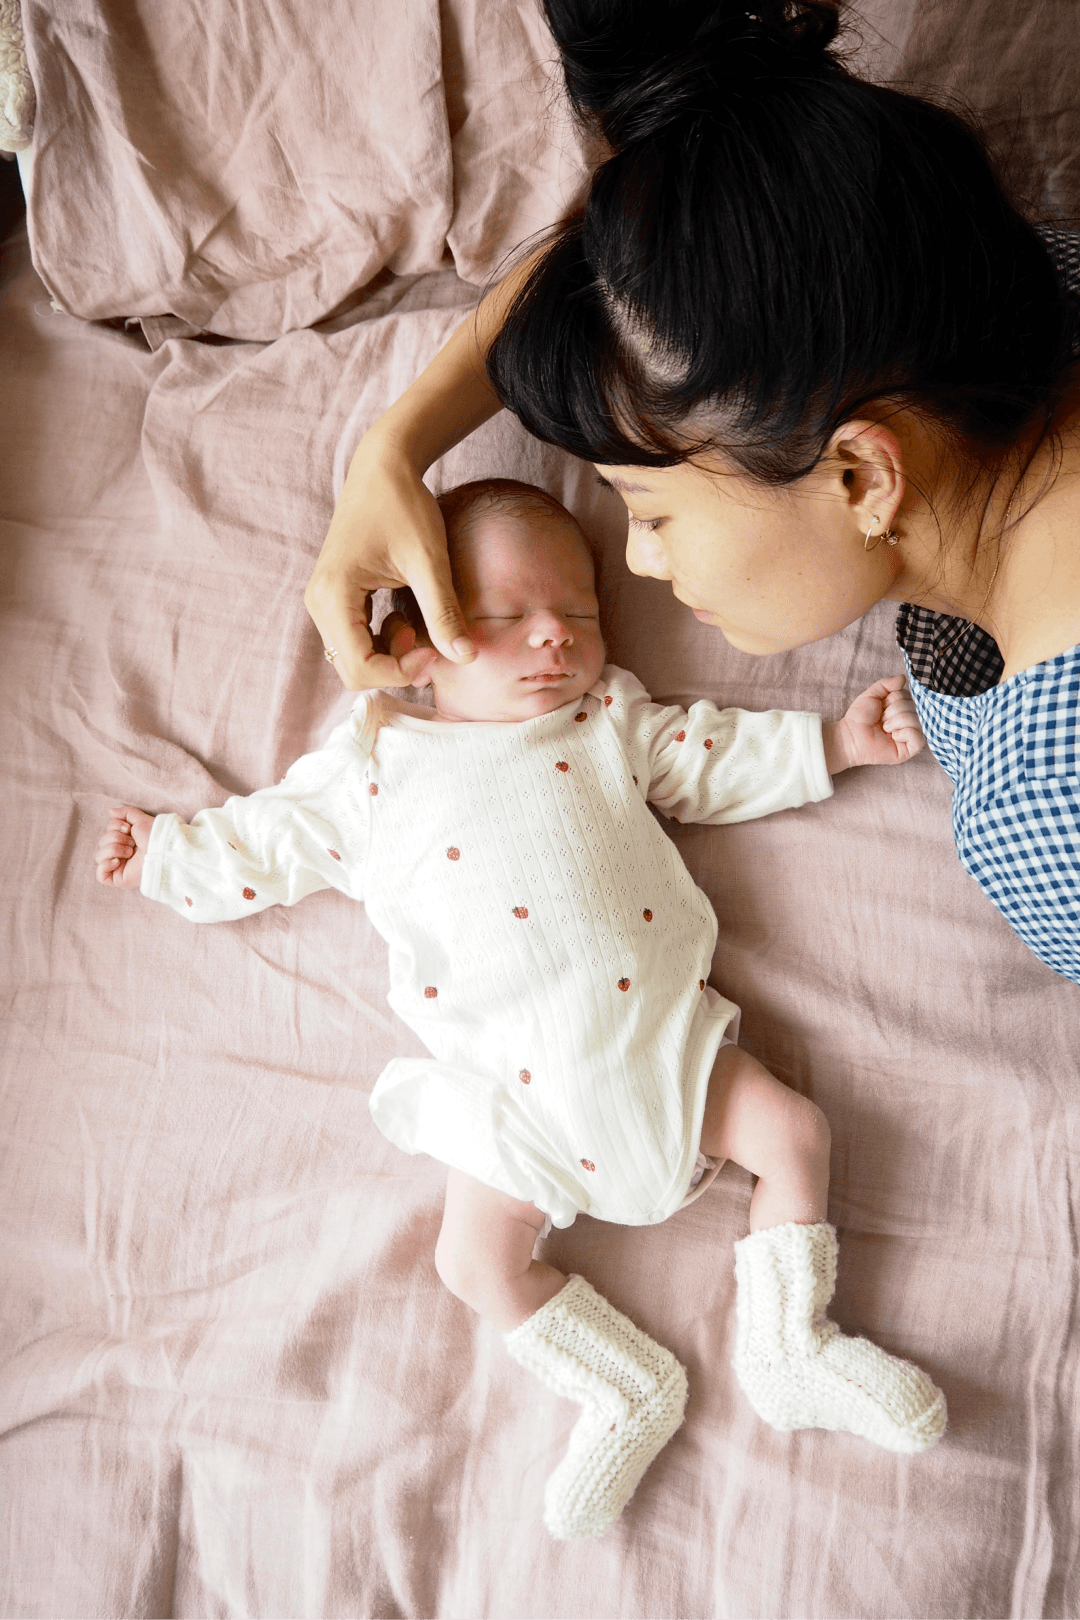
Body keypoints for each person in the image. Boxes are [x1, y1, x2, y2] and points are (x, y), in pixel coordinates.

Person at [96, 479, 945, 1542]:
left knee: (796, 1134)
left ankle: (790, 1350)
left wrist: (833, 745)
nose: (554, 633)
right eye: (505, 617)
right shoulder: (370, 770)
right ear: (413, 645)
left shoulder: (605, 720)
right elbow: (263, 845)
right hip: (514, 1100)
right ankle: (621, 1384)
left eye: (579, 614)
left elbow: (711, 754)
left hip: (663, 1047)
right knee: (471, 1263)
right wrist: (167, 853)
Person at [304, 0, 1080, 985]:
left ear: (862, 475)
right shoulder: (1020, 277)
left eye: (653, 509)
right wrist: (394, 447)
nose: (637, 556)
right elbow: (647, 269)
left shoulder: (1050, 818)